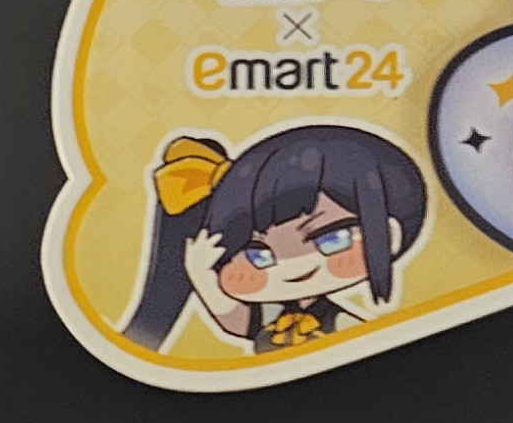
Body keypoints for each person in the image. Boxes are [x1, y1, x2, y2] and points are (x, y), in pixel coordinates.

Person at [124, 122, 432, 356]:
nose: (295, 264)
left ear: (390, 234)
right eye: (258, 254)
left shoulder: (343, 324)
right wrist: (202, 277)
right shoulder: (270, 314)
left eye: (333, 239)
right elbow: (234, 318)